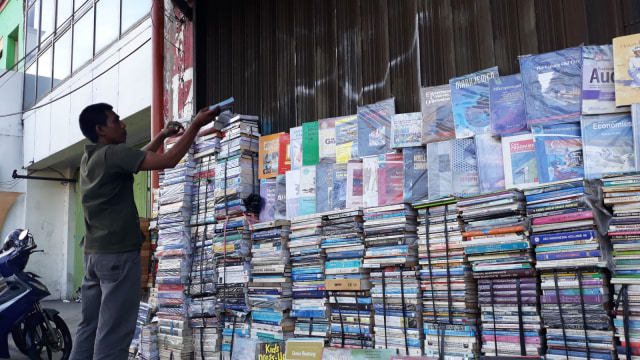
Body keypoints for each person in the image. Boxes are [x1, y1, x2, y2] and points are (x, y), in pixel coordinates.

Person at [70, 103, 220, 360]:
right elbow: (169, 160)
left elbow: (134, 159)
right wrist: (195, 124)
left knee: (89, 327)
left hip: (94, 257)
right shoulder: (113, 154)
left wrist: (162, 136)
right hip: (118, 256)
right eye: (116, 121)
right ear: (100, 129)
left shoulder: (91, 157)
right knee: (114, 333)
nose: (123, 124)